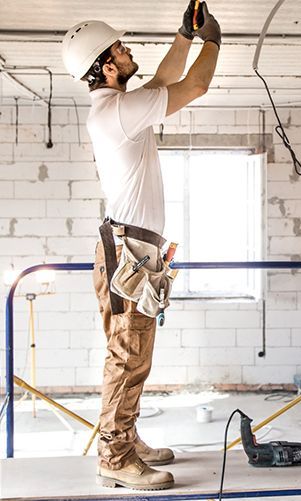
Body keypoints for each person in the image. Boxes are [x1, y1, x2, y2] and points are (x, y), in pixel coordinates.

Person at [61, 1, 220, 491]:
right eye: (122, 49)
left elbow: (160, 84)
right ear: (107, 66)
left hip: (131, 248)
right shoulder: (116, 113)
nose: (131, 52)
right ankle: (114, 456)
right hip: (128, 251)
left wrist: (184, 36)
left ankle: (125, 437)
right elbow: (193, 85)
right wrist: (213, 39)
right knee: (127, 356)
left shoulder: (120, 108)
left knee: (132, 354)